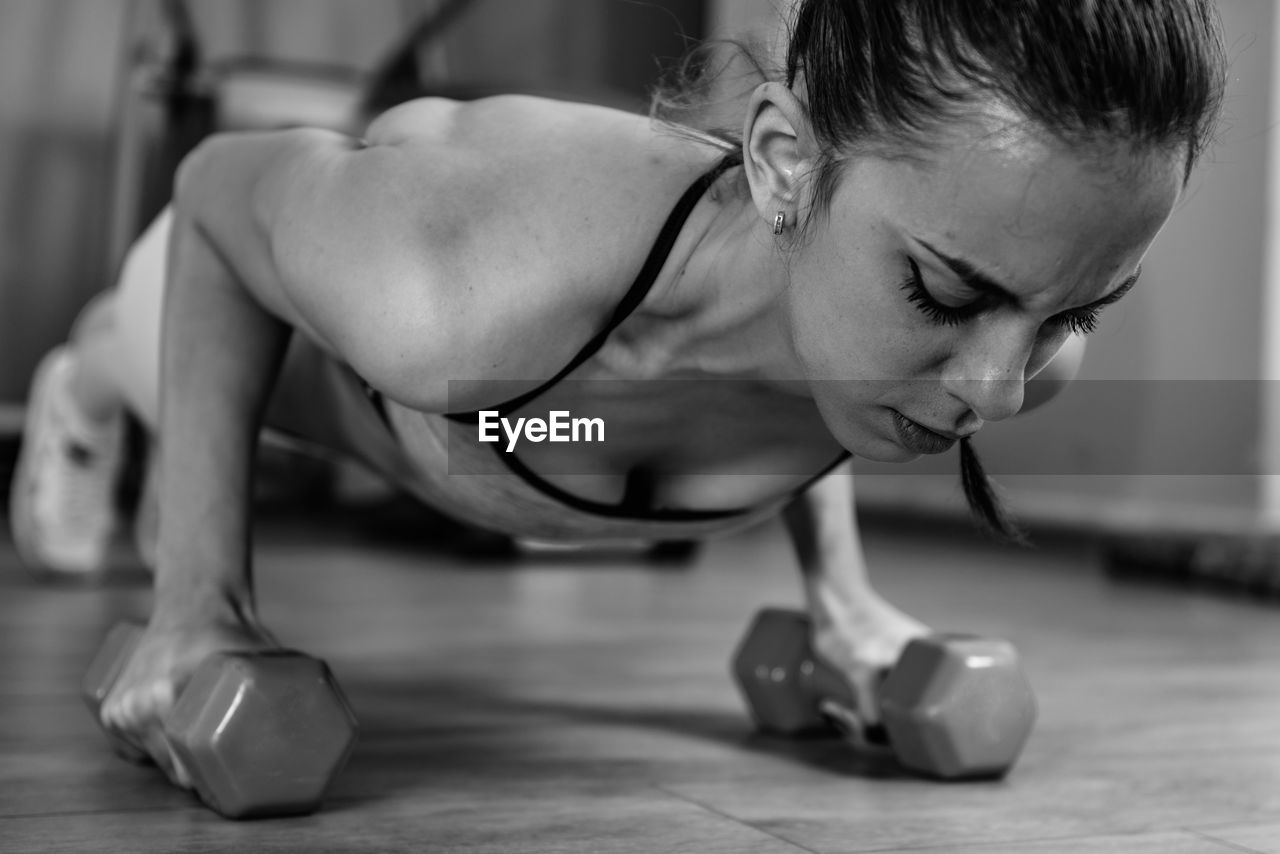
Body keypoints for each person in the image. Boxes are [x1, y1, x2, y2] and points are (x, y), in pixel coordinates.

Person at [8, 0, 1225, 785]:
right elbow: (221, 190)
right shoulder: (455, 285)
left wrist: (841, 599)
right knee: (137, 346)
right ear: (784, 167)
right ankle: (86, 393)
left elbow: (796, 361)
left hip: (529, 420)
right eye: (947, 295)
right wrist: (197, 602)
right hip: (250, 302)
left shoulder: (967, 324)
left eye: (1071, 310)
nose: (999, 390)